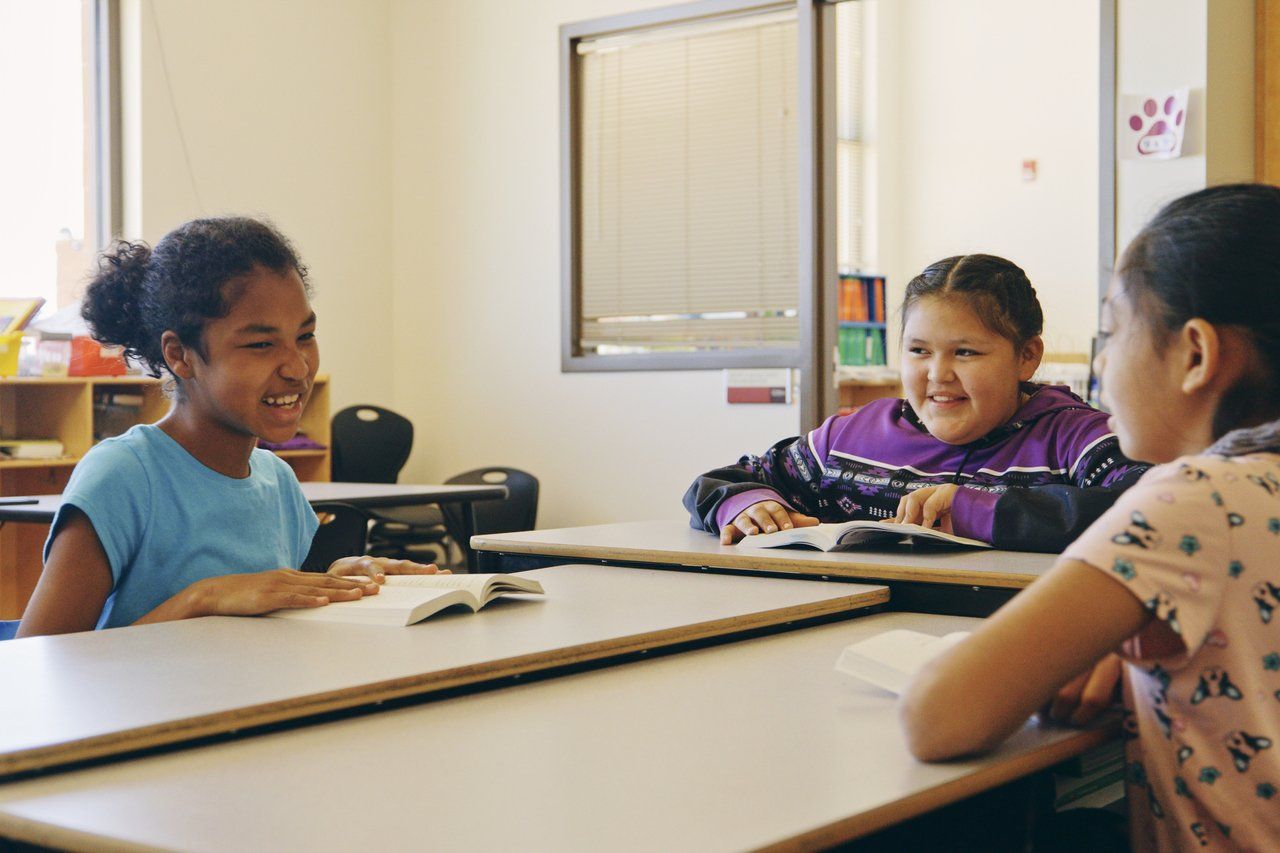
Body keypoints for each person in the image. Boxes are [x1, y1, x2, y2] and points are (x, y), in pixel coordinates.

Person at [902, 184, 1280, 850]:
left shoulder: (1190, 500)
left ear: (1195, 354)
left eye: (1113, 329)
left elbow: (939, 715)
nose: (1101, 362)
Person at [18, 217, 441, 637]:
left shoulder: (278, 482)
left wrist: (336, 582)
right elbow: (38, 664)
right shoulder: (125, 477)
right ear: (180, 355)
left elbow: (259, 615)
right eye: (261, 344)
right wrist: (200, 600)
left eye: (305, 335)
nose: (297, 368)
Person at [684, 254, 1148, 552]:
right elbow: (722, 481)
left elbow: (1153, 504)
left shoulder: (1075, 438)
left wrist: (976, 508)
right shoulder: (850, 439)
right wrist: (746, 504)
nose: (938, 374)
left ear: (1027, 356)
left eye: (965, 352)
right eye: (918, 351)